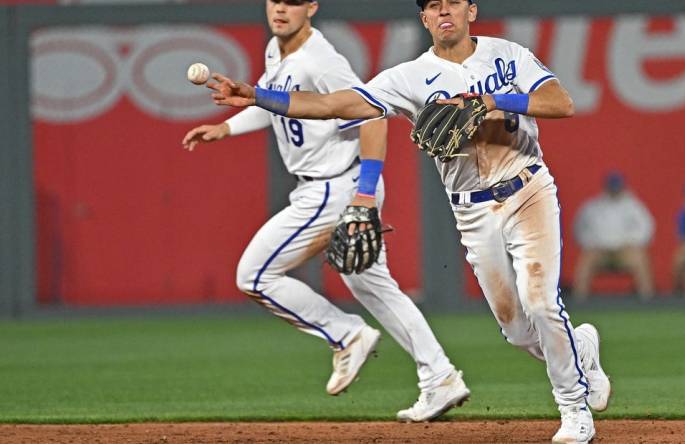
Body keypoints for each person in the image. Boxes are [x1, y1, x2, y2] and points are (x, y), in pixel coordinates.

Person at [209, 0, 612, 440]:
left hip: (527, 187)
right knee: (517, 330)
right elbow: (332, 105)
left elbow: (561, 102)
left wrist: (493, 99)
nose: (444, 12)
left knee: (541, 302)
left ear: (470, 11)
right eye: (432, 6)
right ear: (424, 18)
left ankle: (573, 409)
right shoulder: (410, 77)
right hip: (472, 209)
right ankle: (581, 349)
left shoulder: (506, 54)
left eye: (452, 3)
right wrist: (258, 97)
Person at [182, 0, 468, 422]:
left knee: (255, 274)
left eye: (293, 2)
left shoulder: (321, 60)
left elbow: (373, 115)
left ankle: (346, 334)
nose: (281, 9)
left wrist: (364, 196)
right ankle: (440, 376)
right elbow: (276, 105)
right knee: (376, 288)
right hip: (328, 187)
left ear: (312, 7)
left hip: (338, 188)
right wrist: (227, 127)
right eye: (275, 0)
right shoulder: (277, 51)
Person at [572, 172, 655, 300]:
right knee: (586, 261)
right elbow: (580, 227)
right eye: (612, 186)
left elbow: (646, 227)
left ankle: (648, 300)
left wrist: (633, 242)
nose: (614, 189)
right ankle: (579, 300)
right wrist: (590, 244)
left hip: (624, 251)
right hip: (600, 251)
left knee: (640, 259)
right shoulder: (593, 206)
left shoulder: (633, 206)